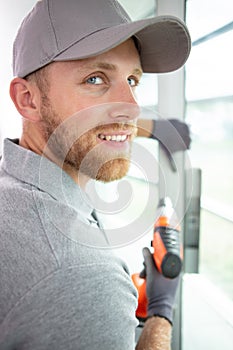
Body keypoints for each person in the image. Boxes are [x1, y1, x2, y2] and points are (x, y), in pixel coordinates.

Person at [0, 0, 191, 349]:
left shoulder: (10, 190)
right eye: (95, 78)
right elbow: (70, 285)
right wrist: (162, 312)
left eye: (133, 79)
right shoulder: (78, 273)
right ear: (27, 100)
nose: (132, 106)